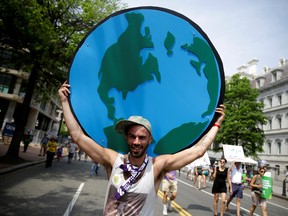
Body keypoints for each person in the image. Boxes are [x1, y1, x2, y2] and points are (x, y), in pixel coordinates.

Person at [58, 82, 225, 215]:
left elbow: (198, 151)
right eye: (132, 136)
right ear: (126, 138)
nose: (136, 141)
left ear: (149, 140)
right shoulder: (113, 160)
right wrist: (64, 101)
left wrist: (217, 122)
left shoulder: (157, 166)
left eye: (142, 137)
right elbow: (77, 136)